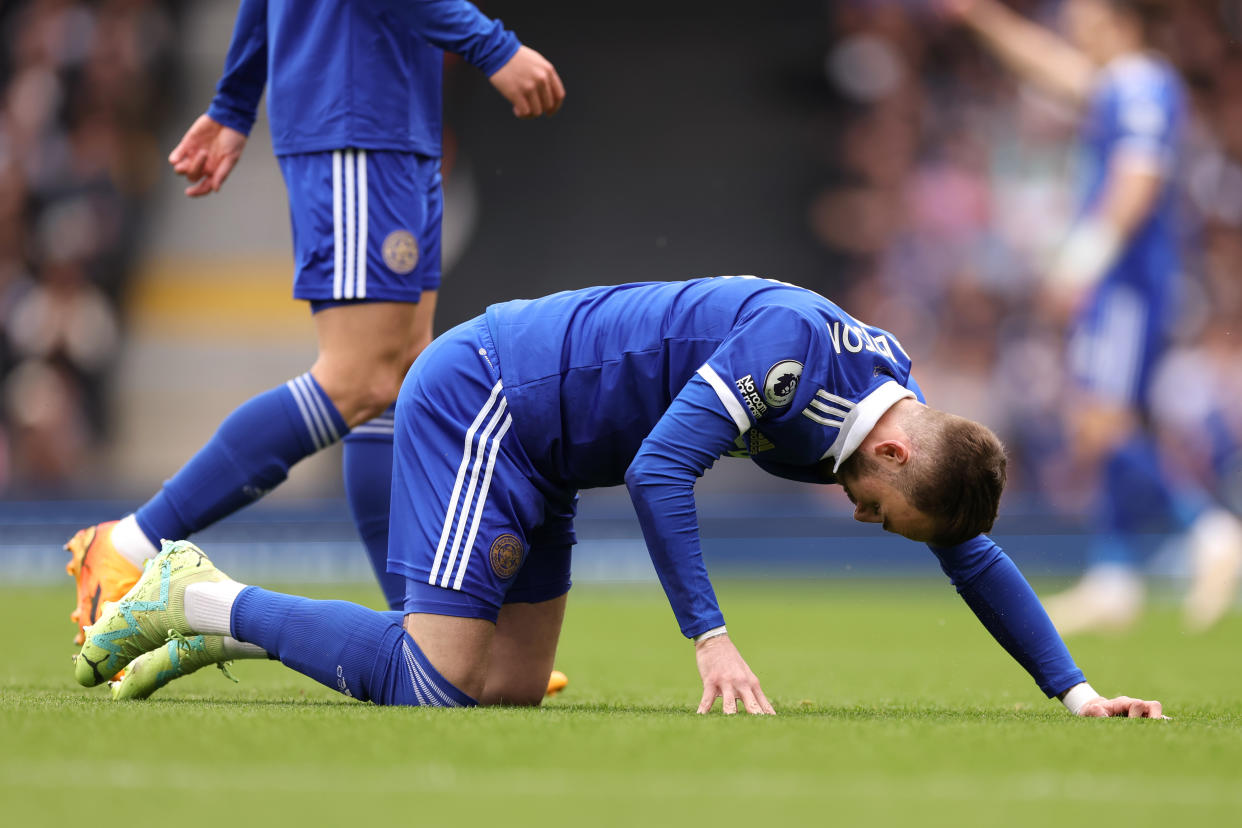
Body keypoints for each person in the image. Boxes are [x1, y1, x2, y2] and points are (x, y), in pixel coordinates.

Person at [78, 276, 1164, 717]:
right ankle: (198, 594)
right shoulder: (791, 353)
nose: (862, 520)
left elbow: (965, 550)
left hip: (550, 454)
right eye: (881, 513)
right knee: (437, 681)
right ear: (890, 459)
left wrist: (1074, 694)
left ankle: (216, 629)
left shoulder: (896, 405)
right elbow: (658, 467)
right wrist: (710, 636)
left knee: (499, 688)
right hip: (491, 400)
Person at [62, 0, 567, 645]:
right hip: (356, 119)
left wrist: (234, 102)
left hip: (393, 120)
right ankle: (130, 542)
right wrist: (492, 47)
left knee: (402, 380)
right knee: (358, 379)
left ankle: (424, 634)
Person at [943, 0, 1242, 633]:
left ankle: (1208, 528)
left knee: (1097, 422)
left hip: (1126, 284)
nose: (1071, 22)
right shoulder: (1129, 82)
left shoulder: (1137, 82)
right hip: (1136, 281)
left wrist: (1081, 261)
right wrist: (984, 19)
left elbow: (1138, 179)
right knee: (1106, 424)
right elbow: (1055, 70)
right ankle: (1115, 574)